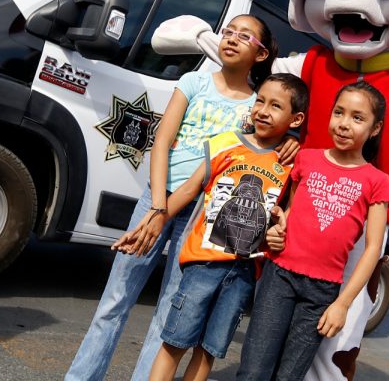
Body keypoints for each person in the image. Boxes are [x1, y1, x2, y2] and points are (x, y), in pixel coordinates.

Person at [66, 14, 292, 381]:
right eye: (228, 32)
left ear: (261, 53)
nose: (231, 39)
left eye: (244, 36)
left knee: (167, 313)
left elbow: (271, 142)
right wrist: (157, 206)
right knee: (113, 302)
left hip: (202, 217)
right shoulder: (194, 82)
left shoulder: (257, 106)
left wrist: (293, 142)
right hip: (156, 199)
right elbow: (162, 142)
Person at [115, 73, 309, 381]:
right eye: (260, 101)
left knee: (208, 352)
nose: (262, 110)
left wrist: (279, 229)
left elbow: (290, 214)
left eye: (275, 106)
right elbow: (189, 190)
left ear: (296, 119)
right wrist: (152, 222)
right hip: (201, 265)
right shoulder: (224, 144)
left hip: (244, 273)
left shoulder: (293, 164)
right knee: (174, 343)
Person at [237, 81, 389, 381]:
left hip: (322, 293)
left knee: (289, 376)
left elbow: (373, 249)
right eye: (339, 113)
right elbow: (292, 213)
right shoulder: (306, 159)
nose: (344, 124)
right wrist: (276, 231)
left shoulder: (376, 182)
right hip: (279, 277)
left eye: (357, 118)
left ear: (375, 128)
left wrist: (342, 305)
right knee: (253, 371)